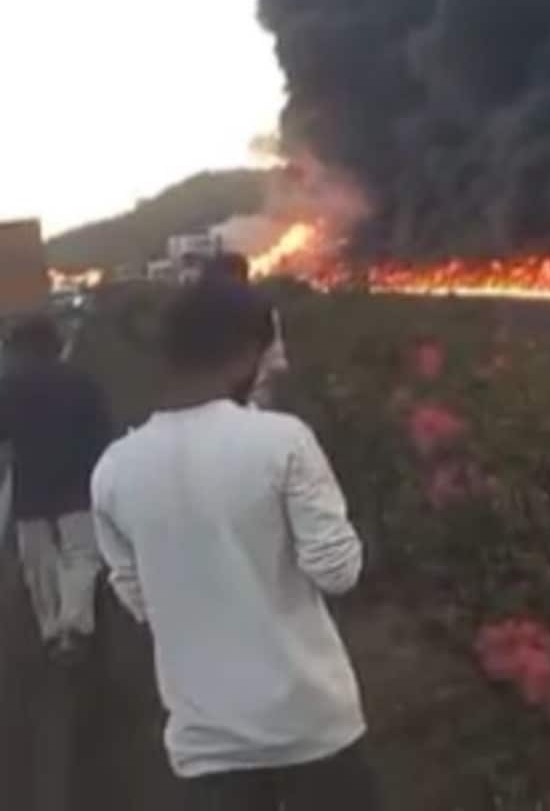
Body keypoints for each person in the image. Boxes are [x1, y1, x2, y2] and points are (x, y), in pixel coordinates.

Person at [92, 277, 378, 809]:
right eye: (275, 346)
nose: (281, 364)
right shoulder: (282, 440)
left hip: (207, 742)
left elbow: (137, 599)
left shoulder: (113, 470)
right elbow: (337, 572)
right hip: (312, 725)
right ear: (244, 351)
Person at [0, 312, 114, 661]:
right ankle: (75, 625)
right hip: (77, 481)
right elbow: (103, 430)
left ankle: (49, 627)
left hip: (30, 484)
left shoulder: (10, 385)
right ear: (56, 344)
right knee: (80, 554)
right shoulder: (83, 382)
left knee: (38, 560)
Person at [198, 252, 289, 409]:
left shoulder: (199, 310)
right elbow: (276, 361)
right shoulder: (262, 307)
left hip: (218, 398)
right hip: (252, 394)